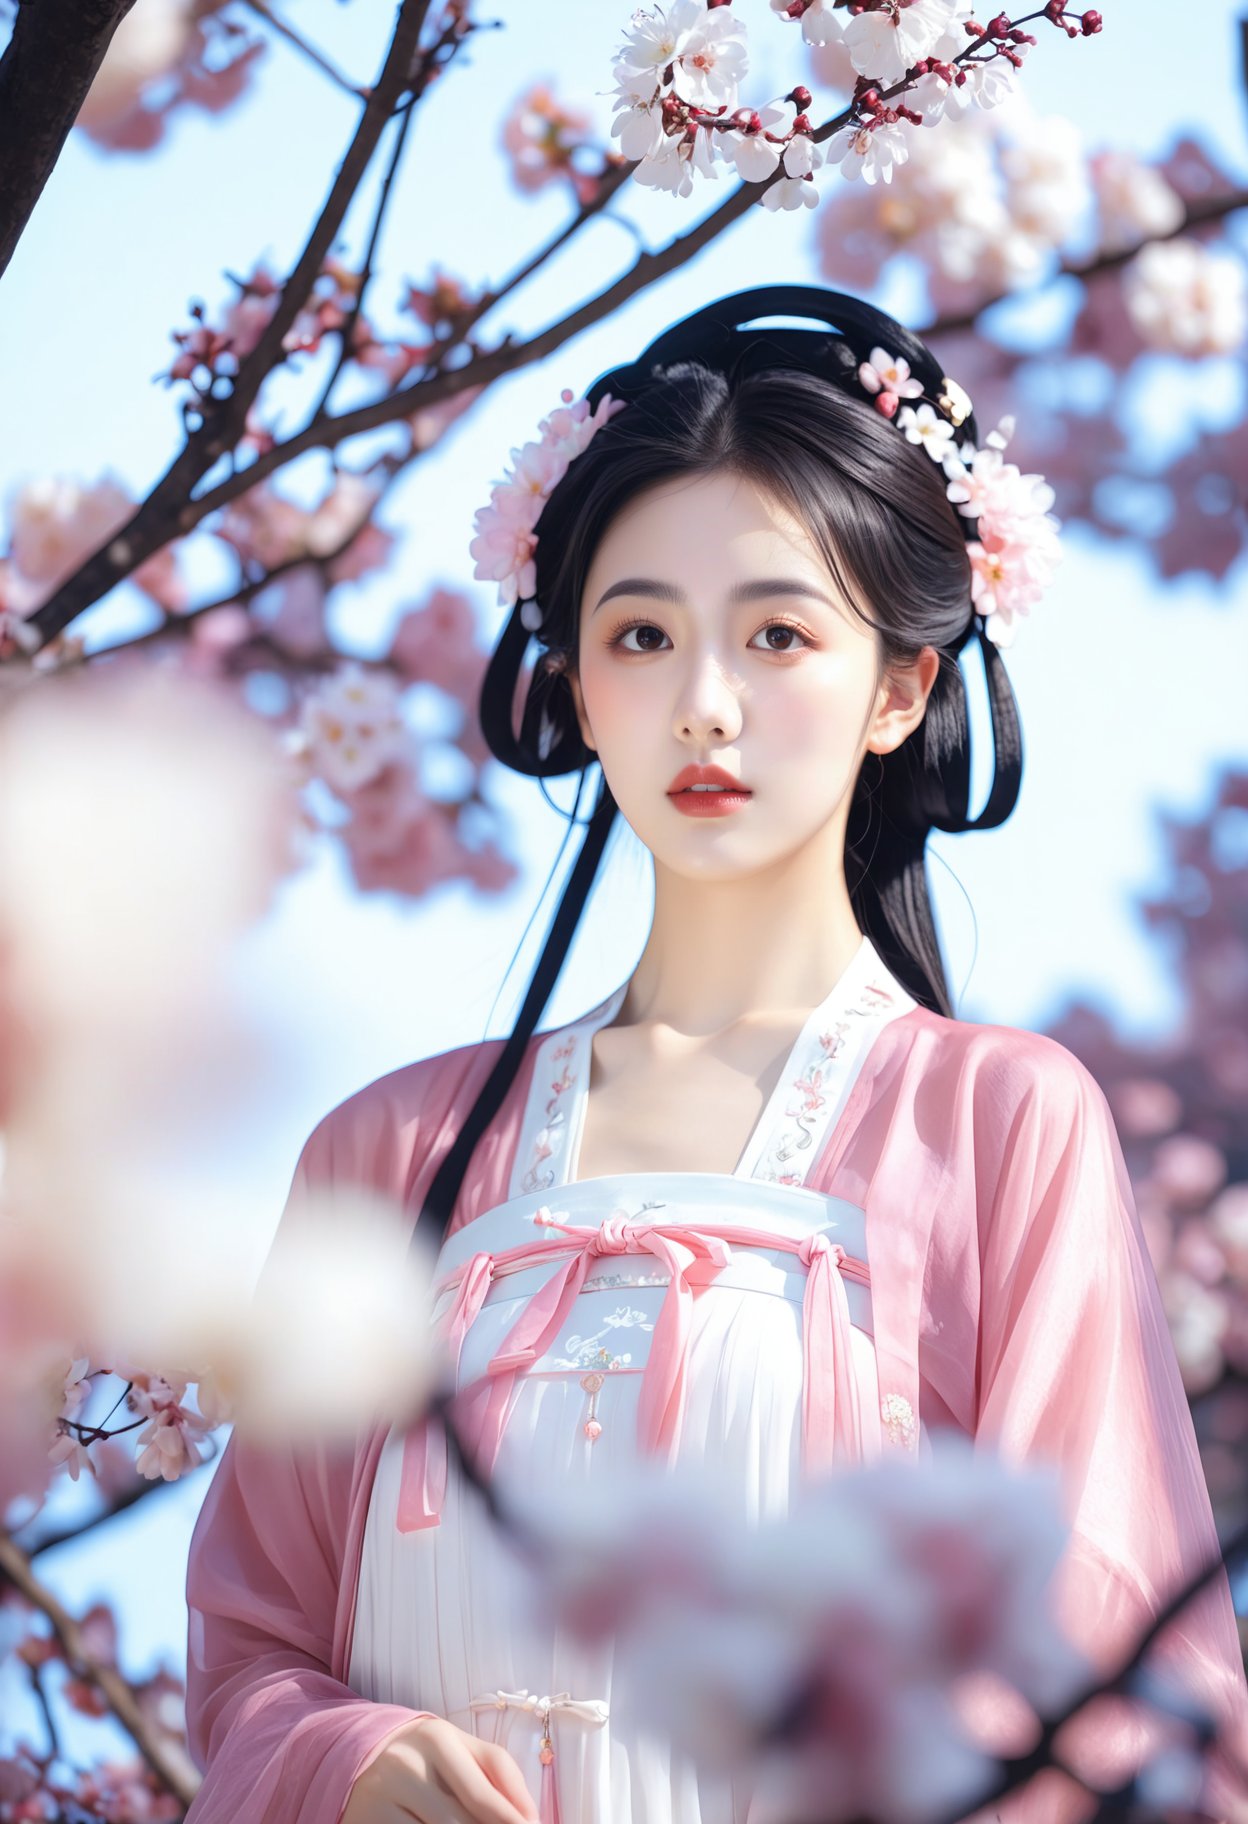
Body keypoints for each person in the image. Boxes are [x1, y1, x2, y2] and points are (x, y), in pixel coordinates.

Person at [182, 286, 1248, 1824]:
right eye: (641, 634)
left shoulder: (996, 1123)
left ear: (902, 686)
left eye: (776, 633)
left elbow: (1099, 1675)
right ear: (573, 680)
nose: (703, 706)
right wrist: (341, 1761)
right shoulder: (390, 1153)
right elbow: (250, 1656)